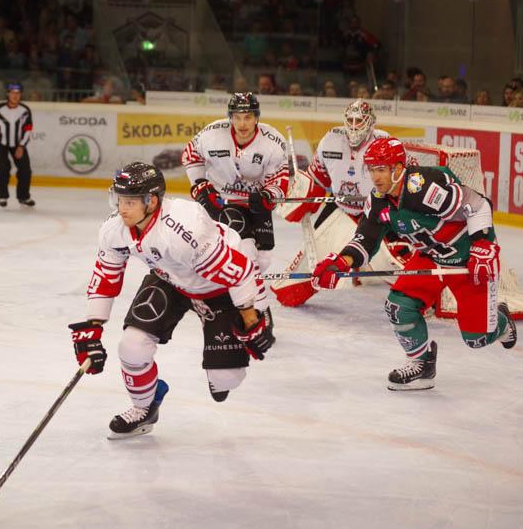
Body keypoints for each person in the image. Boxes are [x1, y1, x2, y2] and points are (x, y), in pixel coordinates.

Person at [69, 162, 273, 438]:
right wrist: (93, 327)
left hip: (219, 289)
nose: (122, 209)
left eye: (130, 202)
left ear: (151, 201)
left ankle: (224, 360)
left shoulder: (185, 230)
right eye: (120, 199)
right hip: (170, 279)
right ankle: (145, 407)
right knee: (132, 347)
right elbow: (107, 274)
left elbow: (240, 270)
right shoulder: (114, 229)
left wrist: (252, 315)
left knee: (226, 379)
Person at [311, 137, 517, 390]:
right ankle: (422, 365)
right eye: (372, 169)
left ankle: (502, 322)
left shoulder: (423, 188)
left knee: (478, 339)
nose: (375, 177)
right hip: (430, 258)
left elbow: (478, 204)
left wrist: (483, 243)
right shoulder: (378, 200)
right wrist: (341, 263)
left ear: (398, 168)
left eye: (381, 169)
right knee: (399, 307)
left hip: (466, 261)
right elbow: (366, 238)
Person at [271, 99, 400, 307]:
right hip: (341, 209)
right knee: (291, 289)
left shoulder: (385, 141)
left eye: (360, 120)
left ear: (371, 122)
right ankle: (359, 268)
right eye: (351, 119)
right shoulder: (331, 139)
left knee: (398, 267)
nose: (354, 125)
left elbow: (401, 179)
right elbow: (316, 177)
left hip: (376, 214)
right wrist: (302, 195)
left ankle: (418, 293)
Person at [181, 92, 289, 323]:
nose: (242, 124)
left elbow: (280, 179)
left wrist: (269, 195)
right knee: (246, 251)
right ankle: (258, 311)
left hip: (255, 202)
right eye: (237, 117)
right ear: (230, 117)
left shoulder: (273, 141)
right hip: (222, 201)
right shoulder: (212, 134)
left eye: (247, 117)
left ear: (256, 117)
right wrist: (200, 185)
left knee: (263, 259)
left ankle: (233, 290)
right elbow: (190, 155)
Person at [0, 82, 36, 207]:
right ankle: (2, 196)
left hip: (17, 143)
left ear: (21, 95)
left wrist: (21, 146)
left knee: (25, 170)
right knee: (3, 168)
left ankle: (23, 197)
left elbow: (28, 129)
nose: (15, 96)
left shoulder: (25, 110)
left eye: (18, 93)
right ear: (8, 94)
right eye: (12, 93)